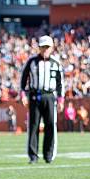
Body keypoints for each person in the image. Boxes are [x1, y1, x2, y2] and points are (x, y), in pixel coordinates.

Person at [19, 35, 65, 164]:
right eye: (43, 47)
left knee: (50, 125)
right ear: (39, 47)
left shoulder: (56, 63)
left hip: (50, 96)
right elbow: (23, 79)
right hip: (35, 96)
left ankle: (48, 155)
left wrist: (61, 100)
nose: (45, 49)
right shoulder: (32, 62)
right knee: (33, 126)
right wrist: (23, 95)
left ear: (52, 48)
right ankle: (33, 156)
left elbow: (60, 83)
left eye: (47, 47)